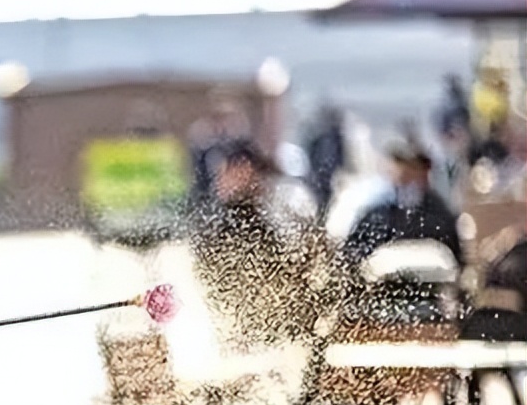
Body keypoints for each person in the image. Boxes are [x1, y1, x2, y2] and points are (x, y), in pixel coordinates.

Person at [191, 139, 326, 350]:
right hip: (245, 325)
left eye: (224, 172)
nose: (219, 182)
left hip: (288, 322)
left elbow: (299, 260)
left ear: (245, 169)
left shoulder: (286, 199)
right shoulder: (227, 214)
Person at [341, 139, 464, 269]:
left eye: (414, 167)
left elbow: (454, 255)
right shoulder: (377, 212)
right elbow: (354, 253)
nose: (406, 173)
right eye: (401, 165)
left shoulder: (439, 215)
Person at [304, 104, 346, 215]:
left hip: (327, 174)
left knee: (325, 198)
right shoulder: (322, 135)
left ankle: (322, 216)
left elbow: (341, 156)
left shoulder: (335, 137)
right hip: (321, 174)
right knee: (319, 198)